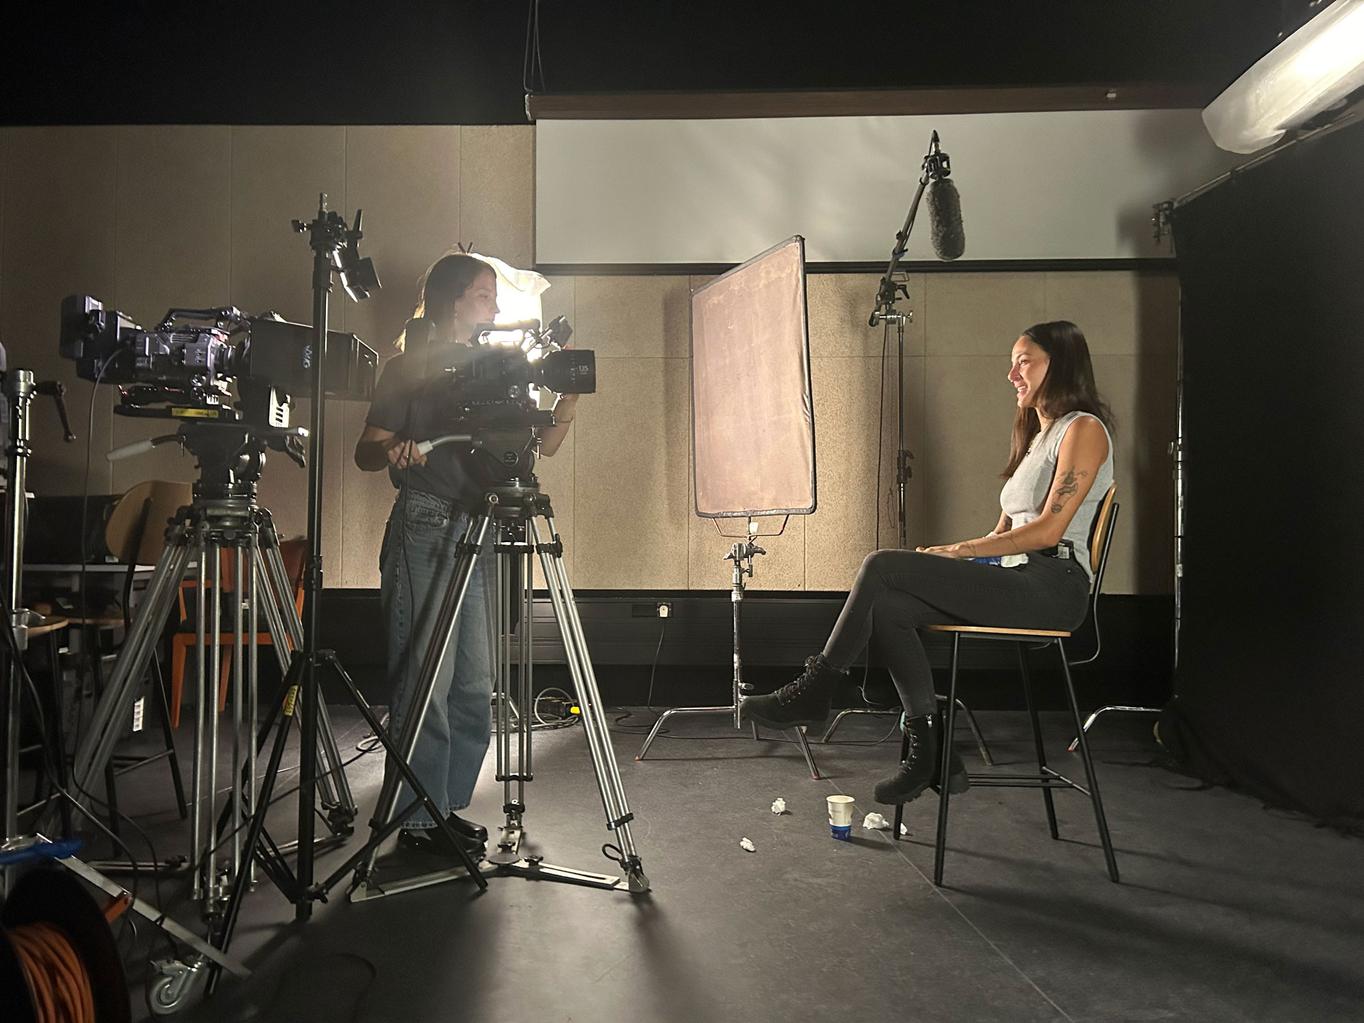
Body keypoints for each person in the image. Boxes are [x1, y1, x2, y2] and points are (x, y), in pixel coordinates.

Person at [742, 320, 1114, 806]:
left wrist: (961, 552)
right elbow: (1000, 535)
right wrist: (949, 552)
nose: (1012, 374)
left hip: (1053, 586)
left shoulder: (1083, 429)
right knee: (890, 606)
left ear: (1059, 363)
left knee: (881, 564)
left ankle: (816, 690)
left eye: (1024, 361)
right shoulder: (1036, 438)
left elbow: (1047, 531)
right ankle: (930, 750)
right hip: (1016, 577)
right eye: (1013, 362)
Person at [354, 253, 577, 859]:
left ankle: (443, 808)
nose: (496, 306)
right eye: (484, 295)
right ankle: (417, 820)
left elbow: (544, 446)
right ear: (451, 300)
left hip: (482, 528)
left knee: (476, 685)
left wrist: (569, 393)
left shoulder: (499, 367)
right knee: (427, 680)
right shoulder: (408, 368)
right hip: (426, 525)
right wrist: (398, 446)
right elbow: (366, 451)